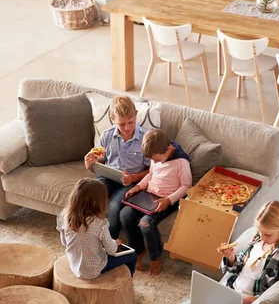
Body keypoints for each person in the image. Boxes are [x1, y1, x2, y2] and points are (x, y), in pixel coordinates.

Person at [121, 129, 192, 275]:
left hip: (168, 199)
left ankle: (155, 257)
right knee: (125, 214)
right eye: (152, 160)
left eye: (157, 160)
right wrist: (138, 186)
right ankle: (138, 250)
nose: (154, 162)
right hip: (148, 195)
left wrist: (168, 200)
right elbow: (151, 174)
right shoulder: (156, 156)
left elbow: (187, 186)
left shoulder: (181, 162)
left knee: (146, 224)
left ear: (168, 149)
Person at [84, 96, 150, 239]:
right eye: (122, 124)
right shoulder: (106, 136)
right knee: (90, 199)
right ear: (112, 118)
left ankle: (111, 245)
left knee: (113, 208)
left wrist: (133, 178)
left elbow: (152, 170)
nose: (127, 128)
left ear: (136, 114)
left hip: (131, 182)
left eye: (130, 122)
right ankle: (88, 239)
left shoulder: (146, 139)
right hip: (106, 177)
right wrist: (91, 165)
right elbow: (99, 163)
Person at [218, 201, 279, 304]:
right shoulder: (257, 238)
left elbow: (276, 294)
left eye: (268, 234)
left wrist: (252, 300)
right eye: (260, 232)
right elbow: (237, 268)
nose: (262, 238)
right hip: (230, 290)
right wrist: (231, 257)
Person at [56, 178, 137, 279]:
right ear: (95, 203)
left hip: (74, 265)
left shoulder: (64, 216)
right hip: (94, 270)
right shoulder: (100, 223)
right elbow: (111, 251)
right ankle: (128, 280)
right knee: (132, 255)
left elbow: (64, 242)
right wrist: (114, 244)